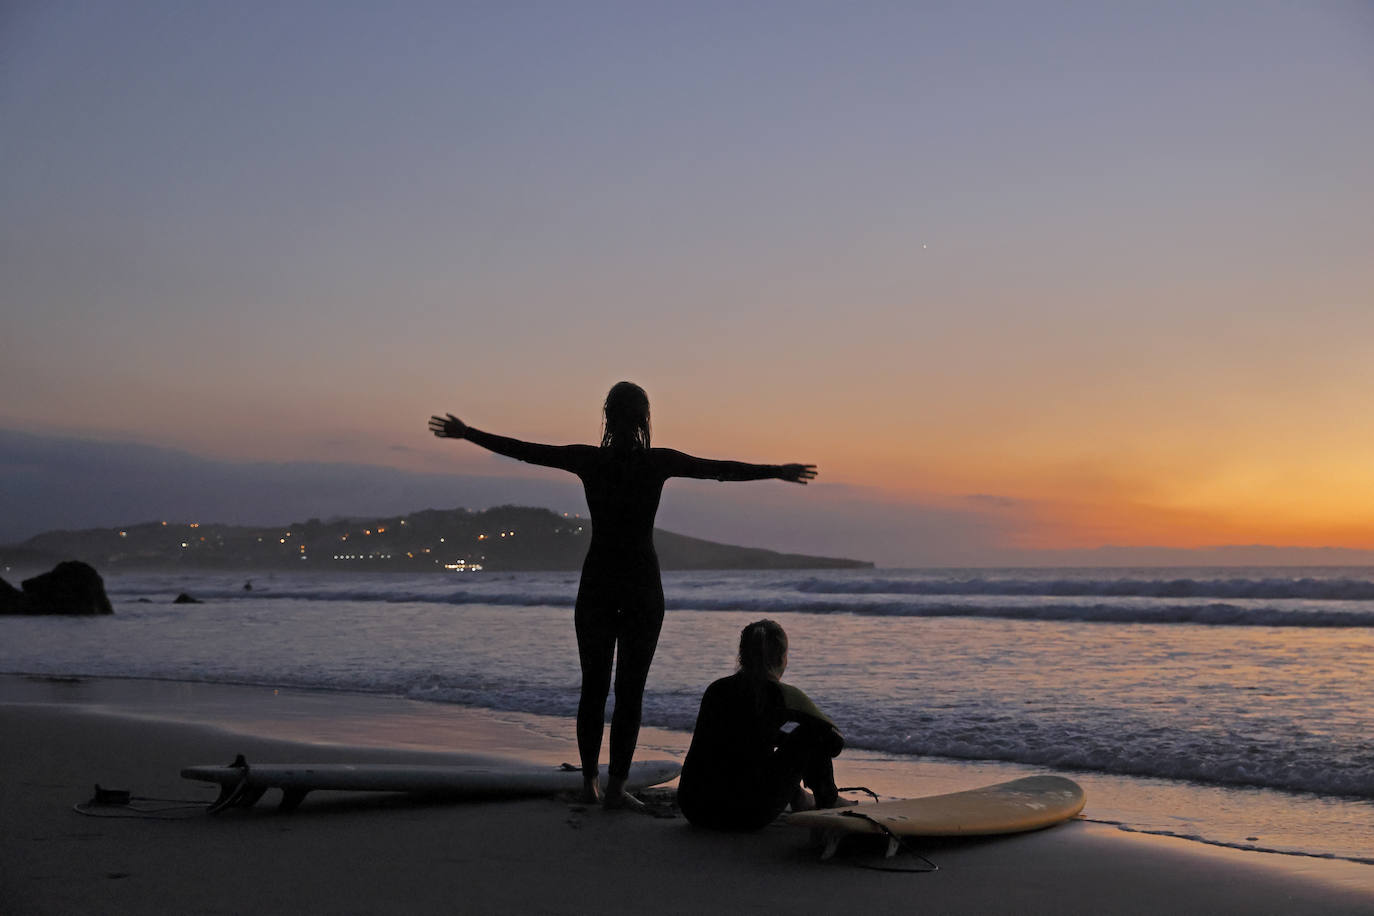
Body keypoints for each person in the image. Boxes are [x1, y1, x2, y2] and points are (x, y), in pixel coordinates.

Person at [428, 382, 816, 810]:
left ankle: (590, 783)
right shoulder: (656, 463)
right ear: (645, 418)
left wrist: (469, 433)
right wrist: (776, 470)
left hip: (598, 583)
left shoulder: (590, 460)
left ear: (607, 417)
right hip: (642, 587)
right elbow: (718, 469)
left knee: (593, 689)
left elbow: (526, 450)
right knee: (630, 692)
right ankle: (616, 789)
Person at [677, 619, 849, 830]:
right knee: (812, 733)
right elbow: (834, 740)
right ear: (780, 657)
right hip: (747, 813)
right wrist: (794, 746)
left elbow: (736, 737)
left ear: (742, 656)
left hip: (695, 809)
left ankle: (799, 798)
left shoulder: (716, 689)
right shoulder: (781, 694)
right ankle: (828, 800)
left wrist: (779, 739)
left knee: (752, 748)